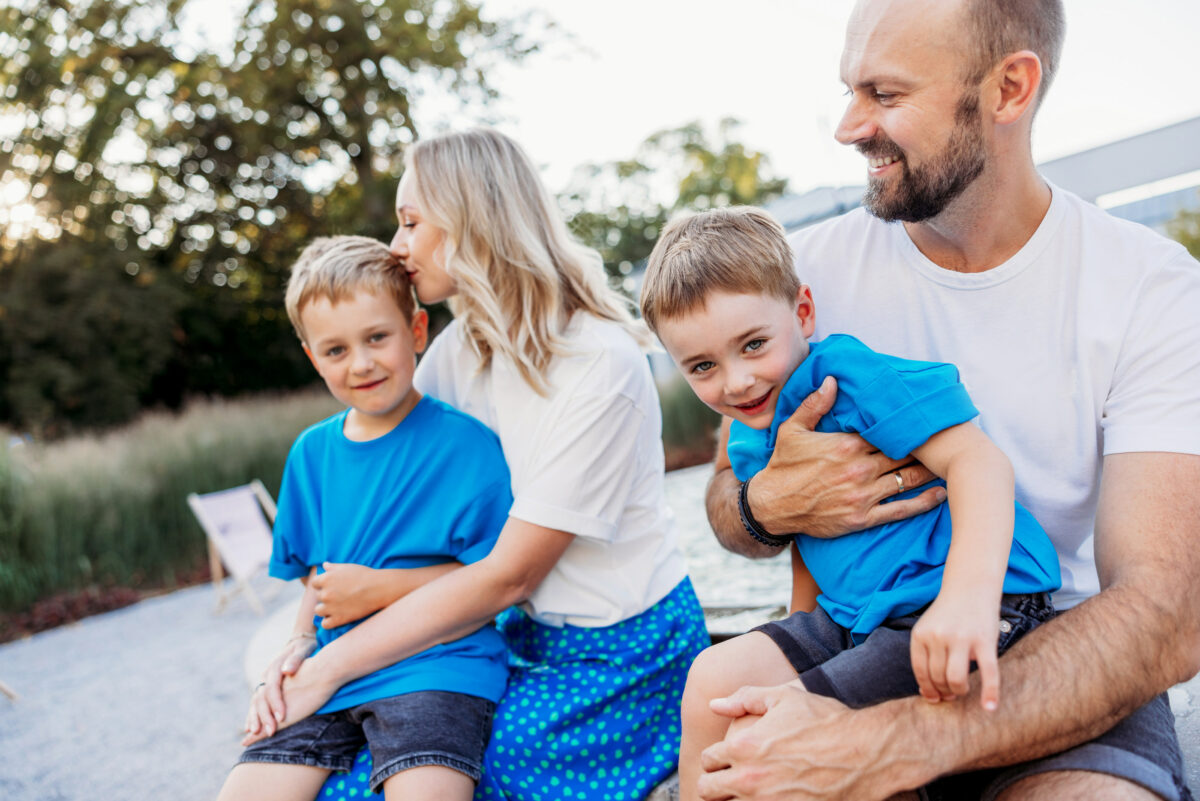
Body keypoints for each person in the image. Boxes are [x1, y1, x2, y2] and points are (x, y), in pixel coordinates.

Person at [698, 1, 1200, 799]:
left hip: (1064, 654)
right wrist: (769, 504)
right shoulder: (799, 279)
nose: (849, 127)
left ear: (1009, 89)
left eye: (885, 94)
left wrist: (888, 745)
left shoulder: (1151, 288)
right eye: (850, 91)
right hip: (867, 629)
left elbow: (1166, 606)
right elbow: (728, 500)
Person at [243, 128, 711, 801]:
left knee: (438, 775)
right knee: (329, 766)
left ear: (471, 219)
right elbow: (386, 514)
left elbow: (512, 573)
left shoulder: (599, 364)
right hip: (506, 637)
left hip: (618, 651)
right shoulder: (456, 355)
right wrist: (304, 645)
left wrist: (330, 665)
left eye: (411, 222)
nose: (396, 246)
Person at [640, 206, 1060, 799]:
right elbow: (804, 531)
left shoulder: (850, 376)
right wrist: (792, 637)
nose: (736, 382)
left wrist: (968, 598)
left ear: (802, 313)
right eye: (703, 366)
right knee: (713, 680)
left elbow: (979, 462)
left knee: (777, 729)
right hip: (854, 618)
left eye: (753, 345)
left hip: (957, 604)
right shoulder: (750, 429)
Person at [218, 235, 514, 801]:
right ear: (313, 358)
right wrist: (298, 641)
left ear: (417, 331)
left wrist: (379, 589)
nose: (361, 363)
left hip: (437, 668)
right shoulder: (311, 453)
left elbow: (496, 582)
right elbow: (320, 576)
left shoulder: (467, 447)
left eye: (377, 337)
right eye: (335, 350)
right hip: (334, 671)